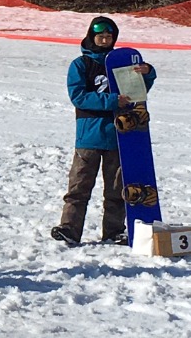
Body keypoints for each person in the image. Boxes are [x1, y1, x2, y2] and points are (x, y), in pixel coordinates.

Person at [51, 16, 156, 245]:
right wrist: (111, 101)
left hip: (119, 136)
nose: (105, 40)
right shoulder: (80, 64)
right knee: (79, 185)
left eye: (109, 36)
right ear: (92, 36)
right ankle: (69, 228)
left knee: (117, 189)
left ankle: (114, 230)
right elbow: (78, 96)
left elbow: (138, 92)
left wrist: (147, 72)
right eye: (101, 36)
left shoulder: (121, 63)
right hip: (89, 135)